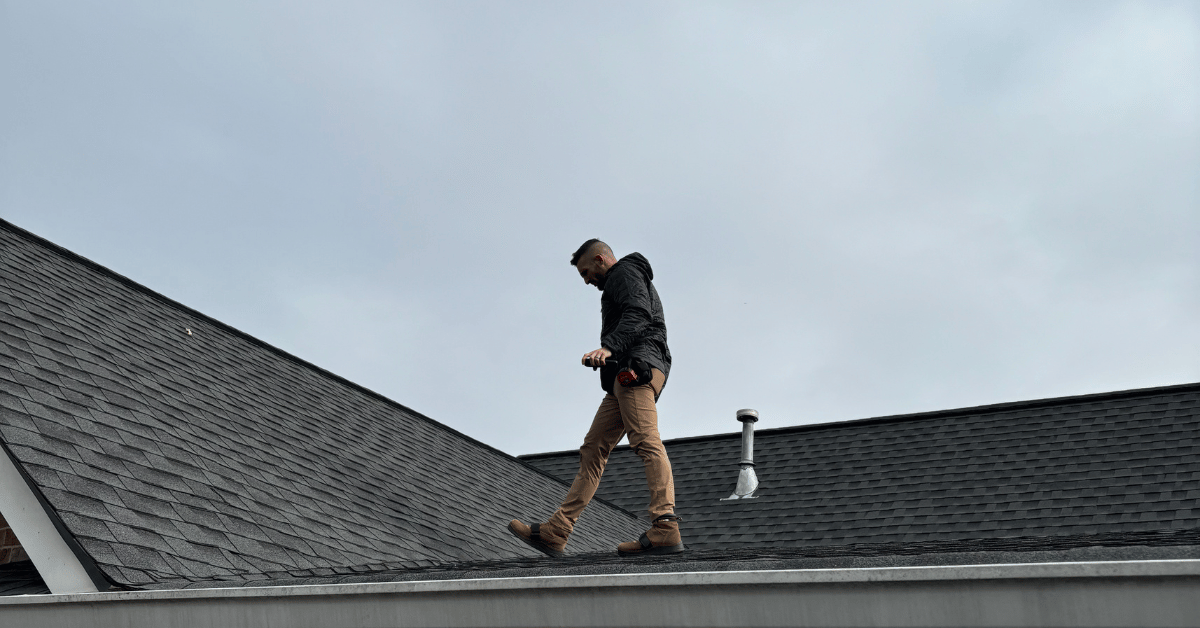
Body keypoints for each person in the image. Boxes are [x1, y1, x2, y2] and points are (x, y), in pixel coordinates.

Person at [509, 239, 683, 557]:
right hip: (623, 376)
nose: (588, 280)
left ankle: (665, 526)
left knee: (646, 441)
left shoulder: (624, 273)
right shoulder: (619, 280)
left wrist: (609, 347)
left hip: (637, 367)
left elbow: (638, 313)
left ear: (602, 260)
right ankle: (556, 531)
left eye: (587, 272)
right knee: (593, 450)